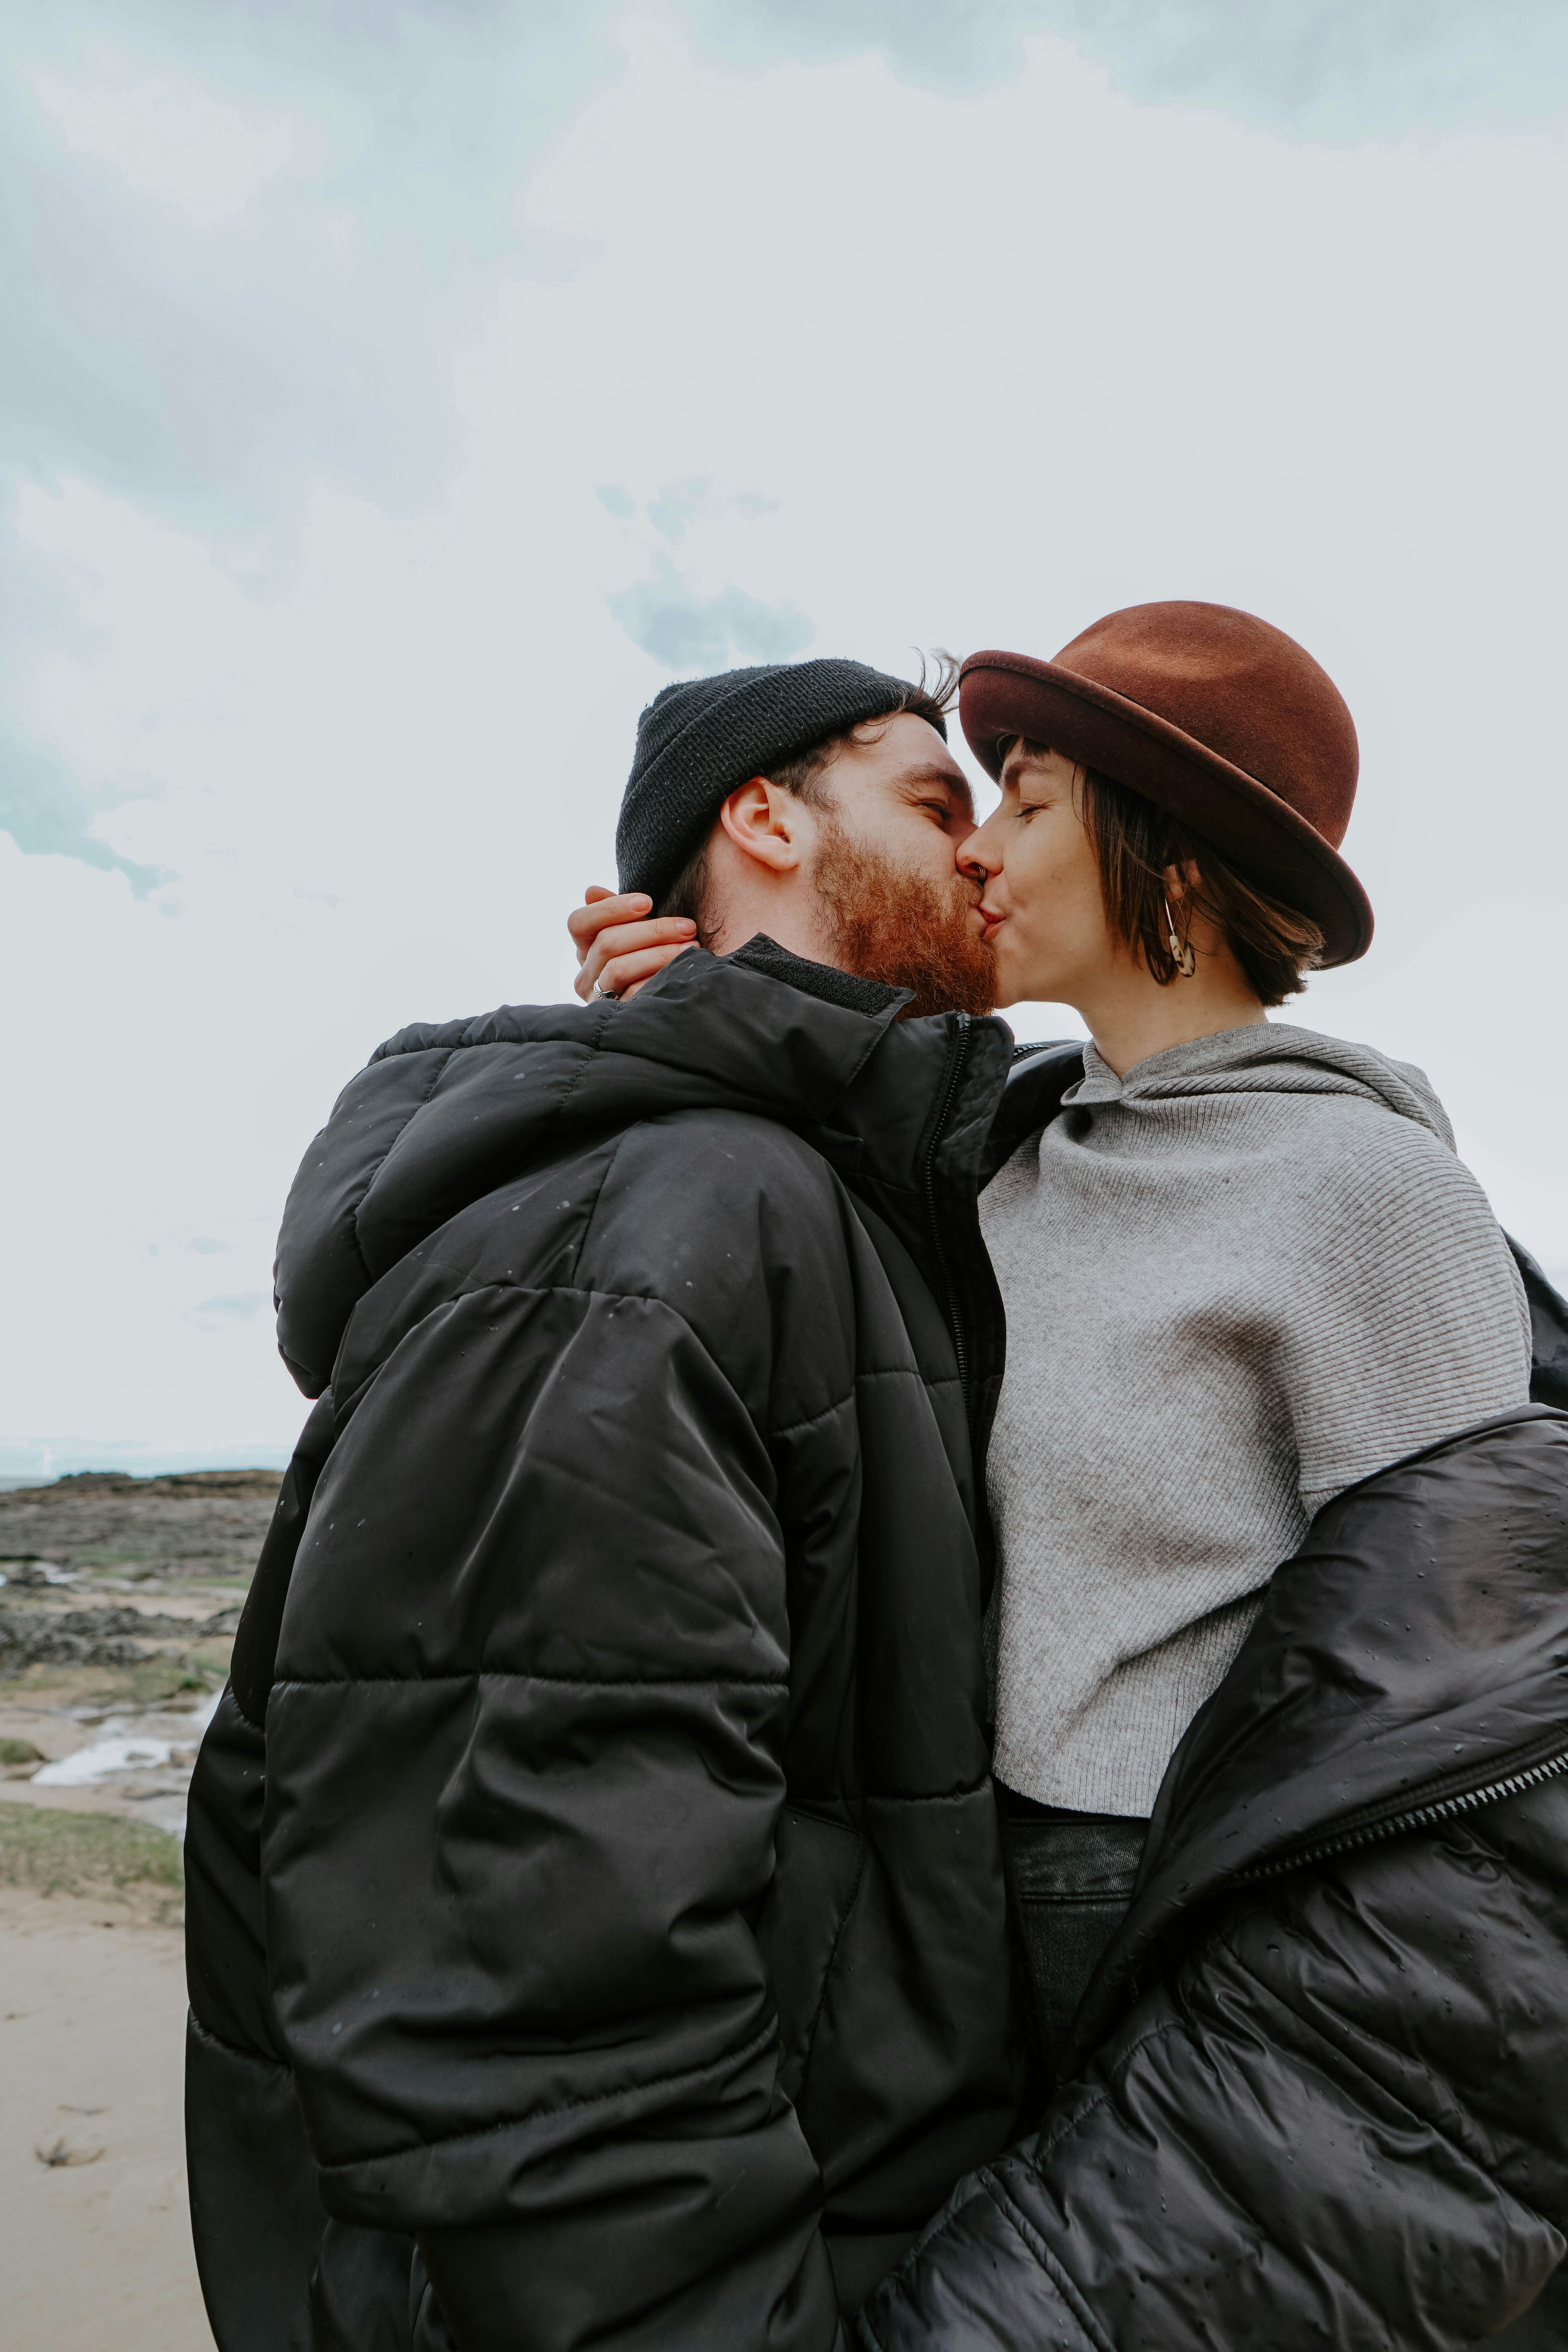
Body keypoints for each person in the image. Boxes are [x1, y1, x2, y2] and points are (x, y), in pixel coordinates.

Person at [572, 603, 1568, 2351]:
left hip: (1190, 1937)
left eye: (1020, 805)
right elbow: (833, 1104)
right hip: (950, 1900)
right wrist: (696, 1000)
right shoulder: (1014, 1146)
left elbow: (1457, 1719)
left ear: (1159, 860)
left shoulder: (1368, 1193)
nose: (977, 844)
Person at [184, 654, 1032, 2352]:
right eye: (938, 802)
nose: (986, 855)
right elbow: (527, 2008)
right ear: (763, 817)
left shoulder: (843, 1204)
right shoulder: (644, 1222)